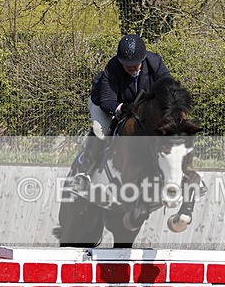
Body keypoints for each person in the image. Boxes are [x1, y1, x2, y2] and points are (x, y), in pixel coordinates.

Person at [72, 34, 173, 186]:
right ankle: (83, 172)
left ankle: (183, 173)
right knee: (102, 130)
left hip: (139, 107)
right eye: (127, 64)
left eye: (135, 64)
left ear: (143, 58)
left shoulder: (155, 62)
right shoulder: (113, 67)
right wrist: (122, 107)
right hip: (107, 103)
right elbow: (107, 101)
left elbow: (168, 86)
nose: (131, 68)